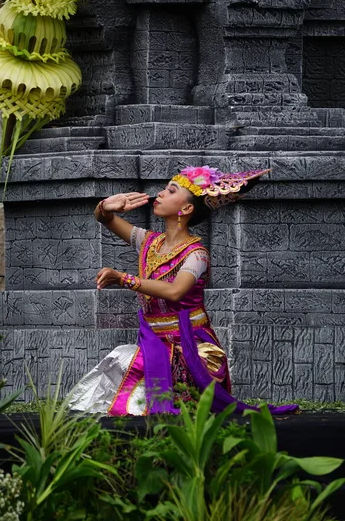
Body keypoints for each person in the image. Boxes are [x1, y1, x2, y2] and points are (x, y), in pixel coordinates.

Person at [69, 166, 298, 416]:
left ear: (186, 209)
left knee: (135, 378)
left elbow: (176, 291)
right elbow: (106, 219)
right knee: (118, 363)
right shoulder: (149, 242)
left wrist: (124, 278)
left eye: (170, 190)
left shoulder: (196, 254)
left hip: (191, 348)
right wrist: (106, 206)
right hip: (154, 341)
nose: (160, 193)